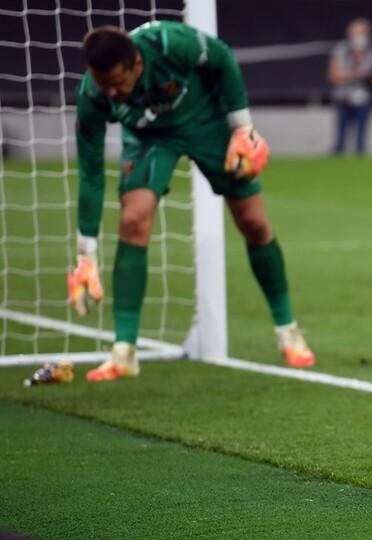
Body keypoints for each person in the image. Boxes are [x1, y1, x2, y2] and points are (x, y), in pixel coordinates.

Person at [69, 21, 316, 381]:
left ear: (137, 64)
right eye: (102, 82)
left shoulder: (170, 43)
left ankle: (288, 330)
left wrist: (243, 128)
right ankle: (124, 352)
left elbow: (222, 57)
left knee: (253, 222)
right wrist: (85, 255)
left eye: (117, 83)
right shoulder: (92, 96)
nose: (111, 92)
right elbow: (91, 175)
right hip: (150, 138)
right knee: (133, 219)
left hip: (207, 122)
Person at [328, 19, 372, 155]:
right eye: (357, 32)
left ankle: (360, 153)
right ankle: (338, 152)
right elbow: (334, 76)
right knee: (341, 130)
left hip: (366, 95)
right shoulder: (341, 49)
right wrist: (354, 75)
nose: (360, 36)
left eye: (363, 33)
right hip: (344, 95)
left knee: (361, 131)